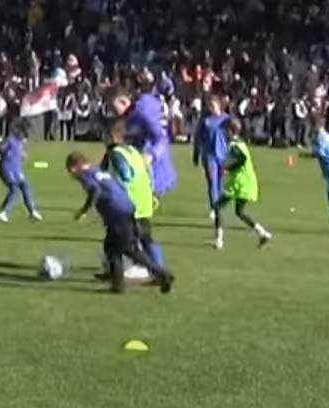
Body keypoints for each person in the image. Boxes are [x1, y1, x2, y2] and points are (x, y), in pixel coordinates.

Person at [68, 151, 173, 295]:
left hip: (118, 215)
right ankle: (117, 285)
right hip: (127, 209)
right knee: (111, 248)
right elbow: (119, 187)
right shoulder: (99, 171)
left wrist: (84, 210)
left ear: (73, 168)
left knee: (129, 250)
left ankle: (162, 274)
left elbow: (95, 190)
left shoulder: (84, 175)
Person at [102, 118, 163, 266]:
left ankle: (154, 269)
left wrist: (113, 189)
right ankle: (157, 267)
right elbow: (147, 171)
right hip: (144, 198)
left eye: (104, 135)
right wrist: (152, 192)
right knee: (145, 237)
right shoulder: (131, 151)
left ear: (111, 136)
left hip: (130, 202)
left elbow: (126, 176)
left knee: (124, 240)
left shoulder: (116, 153)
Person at [218, 119, 273, 249]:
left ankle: (219, 239)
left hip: (239, 183)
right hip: (246, 181)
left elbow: (242, 159)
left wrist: (227, 168)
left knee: (218, 207)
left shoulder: (234, 145)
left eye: (225, 131)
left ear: (230, 131)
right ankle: (262, 233)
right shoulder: (239, 143)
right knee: (239, 212)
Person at [193, 93, 230, 228]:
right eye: (209, 106)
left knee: (220, 183)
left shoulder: (226, 119)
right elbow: (198, 137)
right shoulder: (205, 120)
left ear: (219, 106)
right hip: (209, 155)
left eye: (213, 106)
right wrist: (196, 154)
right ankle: (214, 208)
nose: (211, 108)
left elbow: (232, 135)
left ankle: (218, 206)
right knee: (212, 182)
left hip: (223, 155)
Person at [0, 122, 42, 222]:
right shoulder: (10, 139)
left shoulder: (19, 142)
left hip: (16, 169)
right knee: (14, 189)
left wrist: (21, 155)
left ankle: (32, 211)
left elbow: (17, 151)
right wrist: (5, 151)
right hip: (6, 168)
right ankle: (3, 212)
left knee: (25, 186)